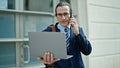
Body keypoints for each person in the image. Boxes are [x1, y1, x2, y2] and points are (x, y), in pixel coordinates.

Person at [37, 1, 92, 68]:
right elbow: (43, 57)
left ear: (71, 15)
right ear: (56, 16)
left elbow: (87, 51)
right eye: (60, 14)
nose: (63, 18)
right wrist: (48, 63)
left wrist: (78, 34)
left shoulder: (78, 30)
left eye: (65, 14)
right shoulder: (48, 32)